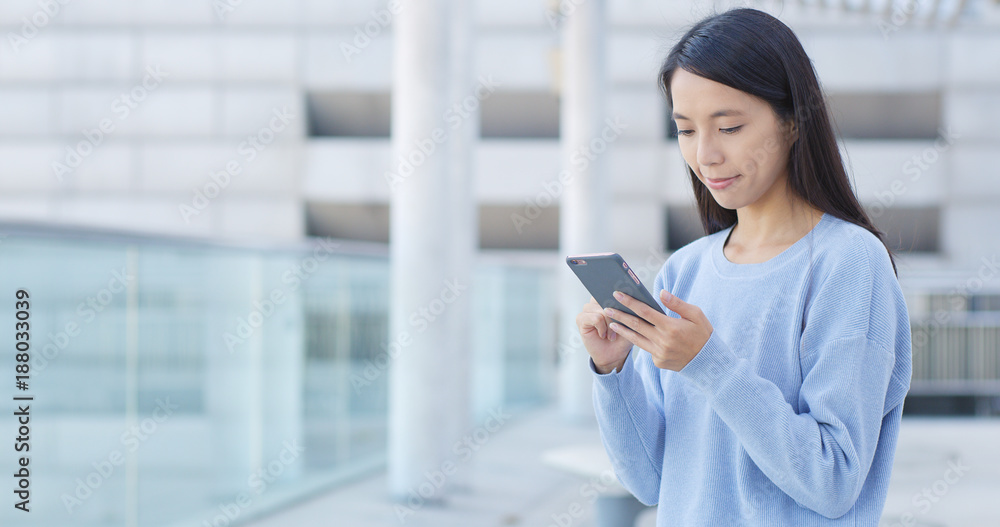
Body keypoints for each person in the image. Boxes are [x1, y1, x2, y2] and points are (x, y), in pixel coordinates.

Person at [575, 8, 912, 525]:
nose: (705, 154)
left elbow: (833, 481)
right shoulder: (683, 272)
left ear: (793, 120)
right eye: (685, 130)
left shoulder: (849, 264)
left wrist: (709, 362)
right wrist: (613, 370)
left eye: (728, 126)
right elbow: (649, 482)